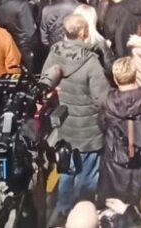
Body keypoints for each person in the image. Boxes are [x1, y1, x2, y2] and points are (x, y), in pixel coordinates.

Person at [44, 13, 110, 224]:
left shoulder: (54, 53)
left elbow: (46, 81)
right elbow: (103, 98)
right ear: (83, 33)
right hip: (89, 129)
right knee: (88, 174)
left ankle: (64, 209)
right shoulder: (91, 63)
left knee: (67, 169)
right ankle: (84, 210)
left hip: (65, 125)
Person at [98, 57, 141, 206]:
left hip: (115, 162)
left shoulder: (107, 102)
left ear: (115, 79)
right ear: (135, 75)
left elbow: (101, 125)